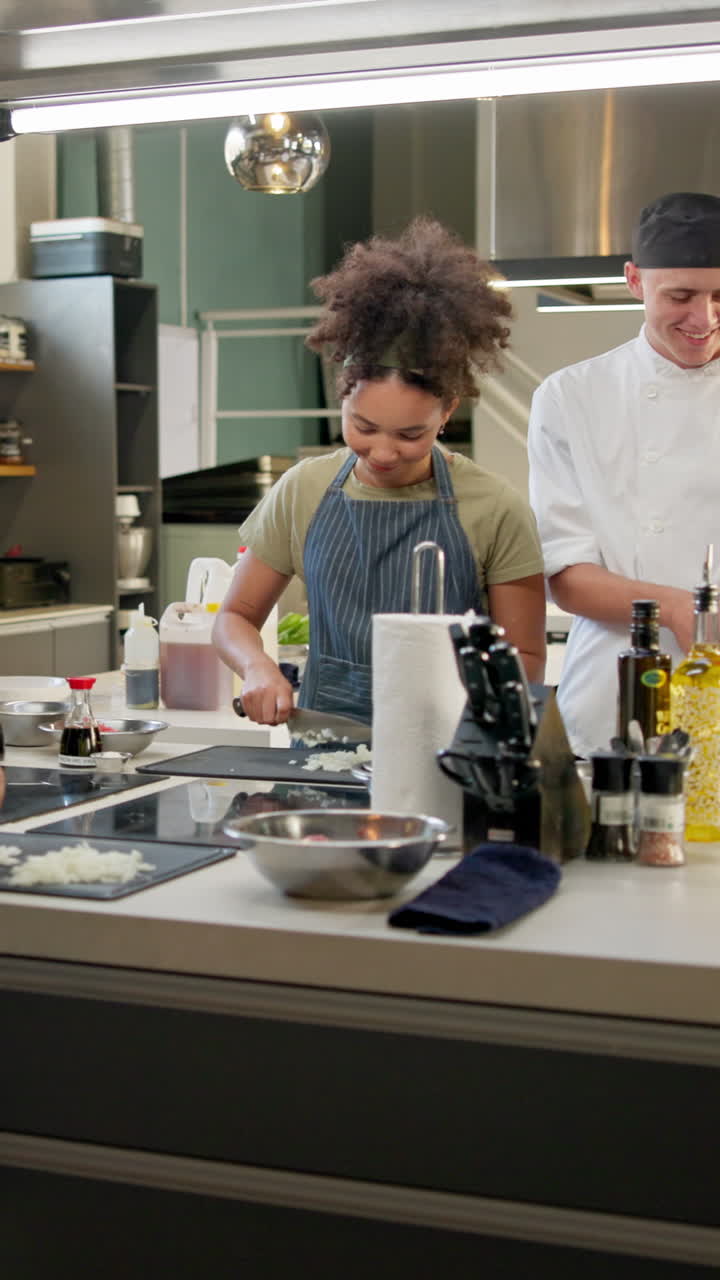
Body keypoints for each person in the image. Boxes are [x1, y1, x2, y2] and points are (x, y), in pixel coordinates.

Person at [213, 217, 546, 727]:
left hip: (449, 751)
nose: (384, 452)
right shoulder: (303, 490)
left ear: (447, 411)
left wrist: (464, 702)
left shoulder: (497, 509)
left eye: (411, 434)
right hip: (325, 748)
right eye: (364, 427)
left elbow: (527, 657)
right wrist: (257, 667)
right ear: (343, 395)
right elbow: (234, 618)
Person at [528, 190, 720, 757]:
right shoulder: (572, 396)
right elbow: (567, 577)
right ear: (635, 281)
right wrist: (682, 610)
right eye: (680, 296)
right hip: (612, 691)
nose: (704, 319)